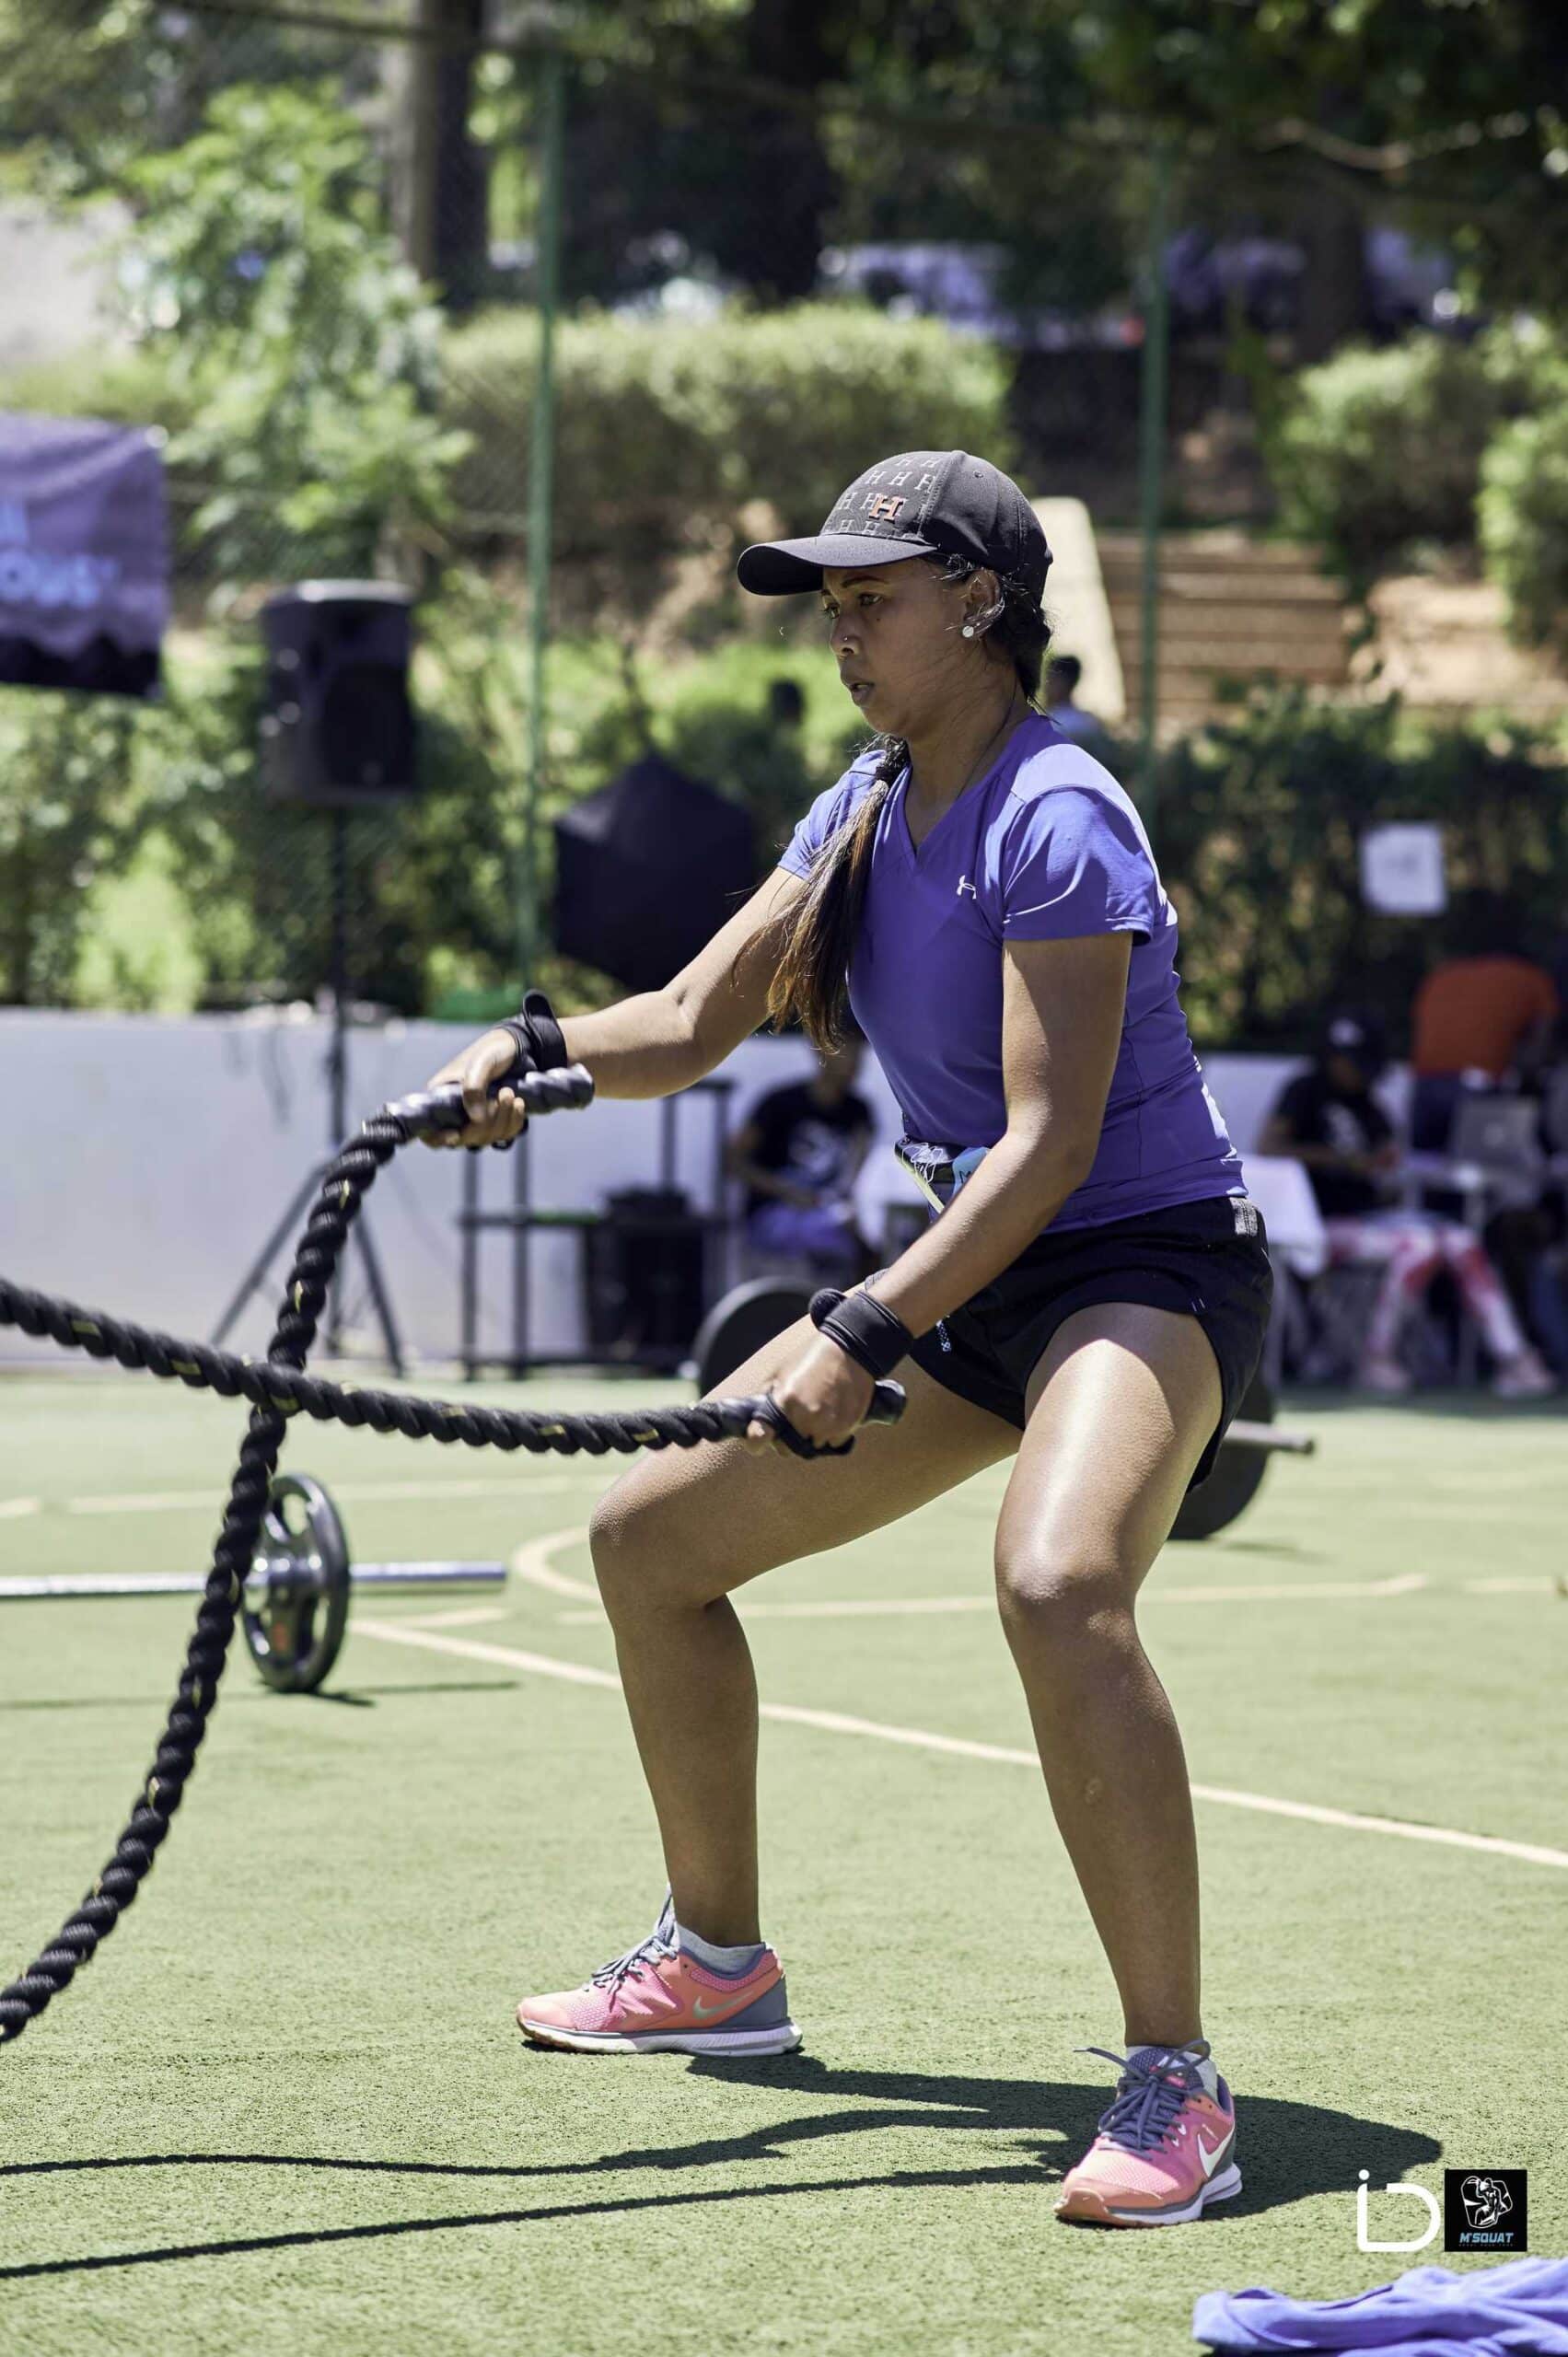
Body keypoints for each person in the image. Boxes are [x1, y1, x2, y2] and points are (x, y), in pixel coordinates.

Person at [424, 447, 1274, 2230]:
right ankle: (715, 1963)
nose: (839, 633)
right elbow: (686, 1016)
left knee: (1055, 1581)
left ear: (978, 603)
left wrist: (863, 1322)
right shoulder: (864, 804)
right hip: (980, 1278)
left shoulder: (1058, 811)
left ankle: (1173, 2079)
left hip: (1141, 1264)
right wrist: (533, 1053)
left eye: (868, 599)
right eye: (829, 604)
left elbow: (1049, 1145)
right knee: (648, 1544)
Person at [1257, 1014, 1554, 1398]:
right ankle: (1376, 1358)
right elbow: (1268, 1148)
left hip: (1371, 1219)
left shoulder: (1370, 1104)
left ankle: (1514, 1358)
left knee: (1461, 1239)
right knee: (1419, 1246)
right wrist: (1343, 1161)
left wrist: (1384, 1170)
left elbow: (1387, 1171)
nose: (1362, 1074)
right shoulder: (1303, 1092)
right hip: (1317, 1225)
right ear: (1334, 1058)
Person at [726, 1038, 876, 1279]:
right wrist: (785, 1190)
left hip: (830, 1212)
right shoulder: (780, 1102)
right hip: (774, 1213)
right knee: (833, 1239)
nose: (855, 1063)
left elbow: (858, 1171)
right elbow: (733, 1161)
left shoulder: (859, 1111)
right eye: (848, 1053)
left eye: (859, 1055)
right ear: (822, 1053)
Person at [1042, 652, 1104, 747]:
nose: (1046, 687)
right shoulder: (1087, 721)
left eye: (1051, 680)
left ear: (1064, 683)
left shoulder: (1069, 724)